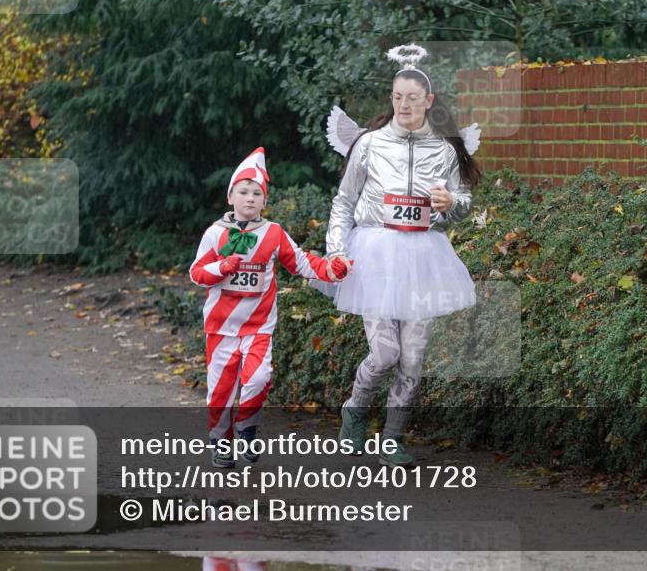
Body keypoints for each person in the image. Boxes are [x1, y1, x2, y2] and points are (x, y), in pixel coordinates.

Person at [320, 43, 482, 467]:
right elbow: (343, 202)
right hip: (374, 254)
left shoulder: (445, 149)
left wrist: (452, 203)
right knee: (385, 354)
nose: (404, 105)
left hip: (424, 258)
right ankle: (355, 407)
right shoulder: (369, 144)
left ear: (428, 100)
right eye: (397, 97)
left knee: (413, 356)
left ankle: (392, 437)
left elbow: (460, 204)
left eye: (412, 98)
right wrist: (336, 251)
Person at [189, 147, 350, 468]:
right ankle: (221, 443)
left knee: (259, 379)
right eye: (243, 192)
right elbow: (196, 274)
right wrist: (221, 267)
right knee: (220, 391)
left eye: (256, 193)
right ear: (230, 197)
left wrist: (332, 270)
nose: (250, 198)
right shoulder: (214, 233)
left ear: (264, 200)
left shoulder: (274, 233)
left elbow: (301, 262)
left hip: (258, 327)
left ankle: (247, 429)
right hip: (220, 328)